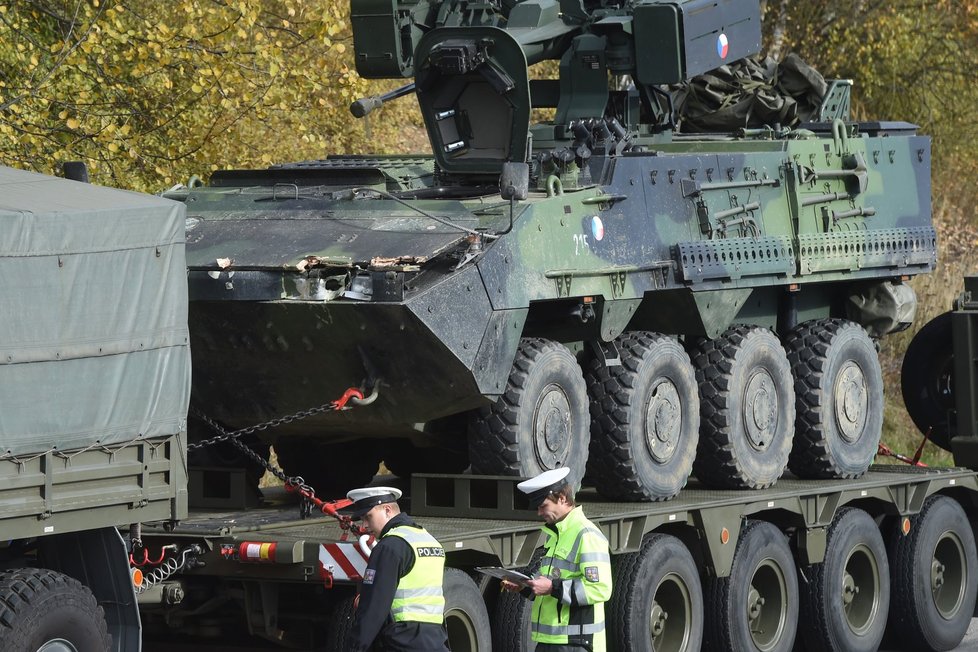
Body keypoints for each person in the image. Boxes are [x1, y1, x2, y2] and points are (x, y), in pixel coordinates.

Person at [502, 467, 613, 651]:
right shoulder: (556, 535)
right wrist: (525, 587)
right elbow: (550, 583)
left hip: (575, 644)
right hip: (551, 641)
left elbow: (600, 589)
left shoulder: (587, 535)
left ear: (562, 498)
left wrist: (553, 587)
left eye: (543, 506)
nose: (539, 513)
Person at [343, 486, 450, 652]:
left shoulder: (389, 546)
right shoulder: (430, 541)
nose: (364, 525)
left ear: (387, 510)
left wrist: (354, 648)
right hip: (434, 641)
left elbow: (374, 607)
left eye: (368, 517)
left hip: (402, 642)